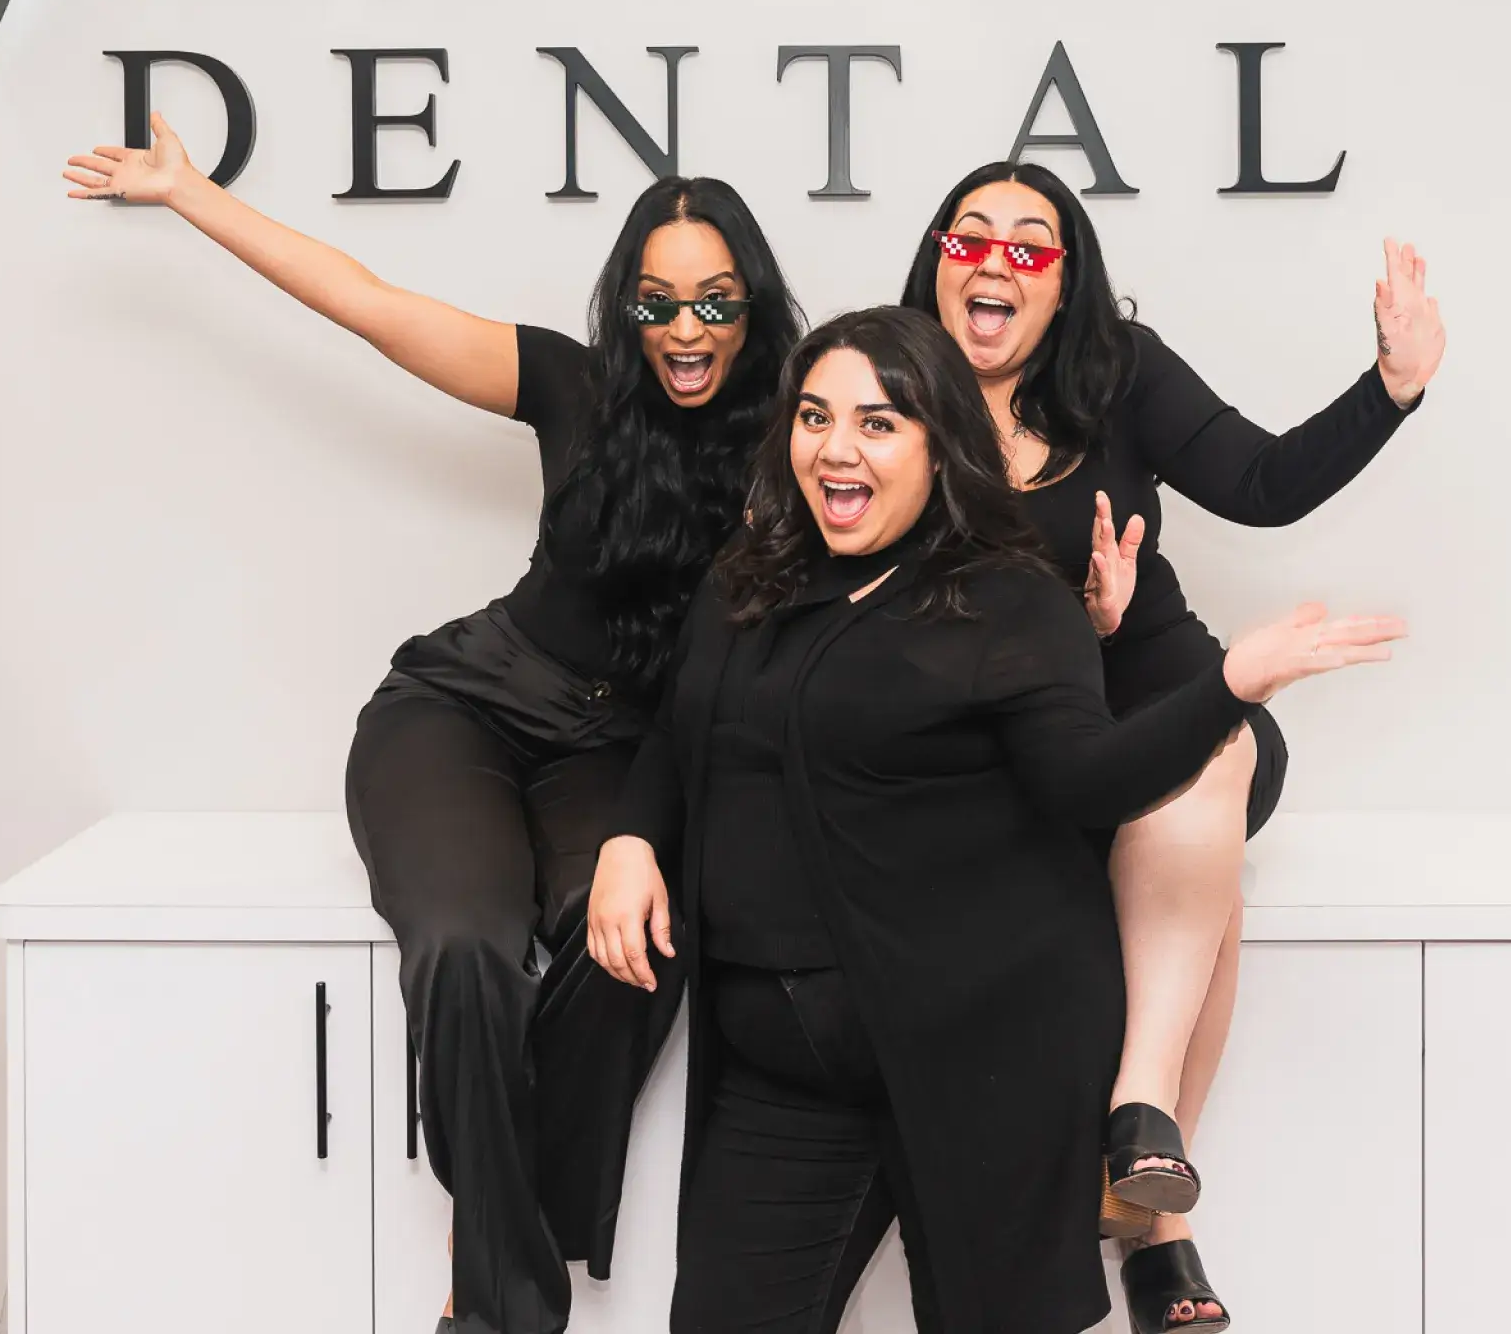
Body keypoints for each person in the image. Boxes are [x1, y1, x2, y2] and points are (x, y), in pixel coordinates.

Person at [62, 115, 803, 1334]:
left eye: (715, 304)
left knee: (640, 949)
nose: (685, 332)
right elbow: (368, 302)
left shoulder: (802, 441)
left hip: (623, 758)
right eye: (657, 304)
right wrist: (193, 195)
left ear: (752, 307)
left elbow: (938, 479)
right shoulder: (573, 386)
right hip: (465, 708)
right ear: (624, 310)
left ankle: (491, 1262)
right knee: (463, 947)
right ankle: (502, 1310)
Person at [587, 306, 1404, 1334]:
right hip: (784, 1077)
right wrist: (630, 838)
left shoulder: (1008, 600)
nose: (836, 447)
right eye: (813, 416)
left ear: (941, 446)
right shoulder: (747, 576)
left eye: (879, 424)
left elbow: (1089, 780)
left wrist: (1230, 684)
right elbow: (683, 727)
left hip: (982, 1060)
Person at [899, 161, 1445, 1333]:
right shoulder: (889, 392)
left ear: (1062, 286)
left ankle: (1143, 1110)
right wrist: (1062, 626)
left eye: (1031, 248)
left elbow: (1260, 481)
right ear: (939, 259)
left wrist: (1391, 387)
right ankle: (1161, 1221)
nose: (997, 260)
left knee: (1208, 758)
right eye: (972, 238)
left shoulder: (1118, 371)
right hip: (1022, 748)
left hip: (1174, 698)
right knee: (1214, 898)